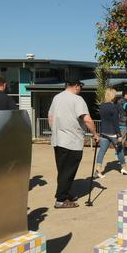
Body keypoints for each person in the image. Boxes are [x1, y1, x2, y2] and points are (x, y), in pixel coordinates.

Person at [48, 78, 98, 208]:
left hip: (58, 140)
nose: (80, 89)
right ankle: (61, 199)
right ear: (76, 86)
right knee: (68, 171)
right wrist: (95, 134)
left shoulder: (57, 98)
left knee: (63, 170)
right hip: (72, 141)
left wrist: (55, 131)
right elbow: (87, 119)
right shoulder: (77, 100)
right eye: (80, 86)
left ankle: (65, 193)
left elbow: (50, 117)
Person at [95, 88, 127, 178]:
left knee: (102, 151)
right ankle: (124, 168)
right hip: (113, 133)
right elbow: (115, 122)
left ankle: (98, 169)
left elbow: (103, 119)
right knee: (119, 150)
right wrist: (119, 135)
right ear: (112, 96)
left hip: (103, 132)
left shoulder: (102, 106)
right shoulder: (113, 107)